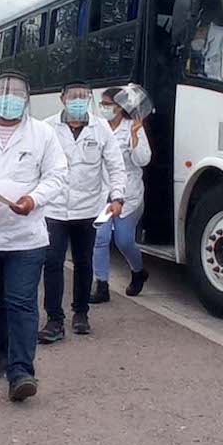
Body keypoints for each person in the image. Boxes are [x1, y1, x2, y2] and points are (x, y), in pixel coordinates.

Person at [0, 71, 68, 401]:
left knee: (21, 302)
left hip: (25, 236)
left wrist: (34, 199)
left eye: (17, 93)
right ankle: (1, 352)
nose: (10, 98)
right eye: (3, 92)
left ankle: (22, 372)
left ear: (27, 99)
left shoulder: (42, 134)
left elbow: (57, 176)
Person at [39, 82, 126, 343]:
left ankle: (81, 313)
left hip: (88, 208)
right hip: (54, 208)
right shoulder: (47, 128)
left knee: (83, 261)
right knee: (52, 262)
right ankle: (54, 319)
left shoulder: (101, 130)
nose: (78, 101)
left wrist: (117, 196)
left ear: (89, 99)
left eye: (83, 97)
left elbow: (115, 166)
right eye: (73, 96)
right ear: (62, 98)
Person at [90, 87, 151, 303]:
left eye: (108, 104)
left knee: (124, 240)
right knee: (100, 238)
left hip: (129, 195)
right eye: (103, 103)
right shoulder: (98, 128)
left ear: (119, 107)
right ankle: (102, 285)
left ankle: (138, 271)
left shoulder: (132, 127)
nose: (104, 107)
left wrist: (135, 136)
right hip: (104, 196)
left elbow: (143, 160)